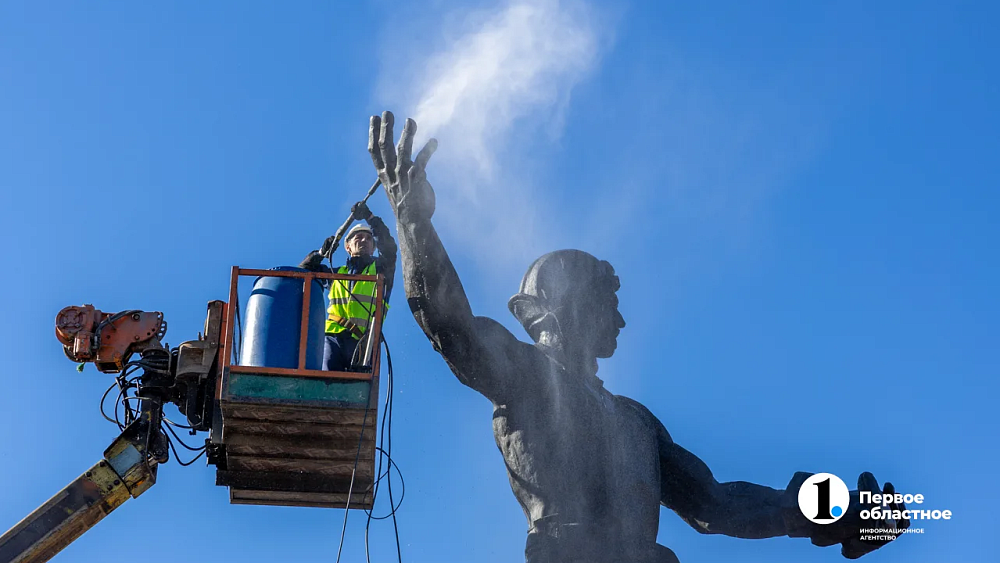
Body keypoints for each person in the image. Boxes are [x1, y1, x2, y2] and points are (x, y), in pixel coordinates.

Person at [367, 110, 908, 562]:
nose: (620, 322)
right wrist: (413, 221)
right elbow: (451, 327)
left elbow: (718, 504)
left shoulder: (636, 421)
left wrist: (833, 514)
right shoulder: (527, 376)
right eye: (608, 306)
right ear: (566, 306)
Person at [299, 201, 396, 372]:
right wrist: (321, 253)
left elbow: (389, 247)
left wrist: (370, 217)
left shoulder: (381, 270)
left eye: (368, 239)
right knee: (327, 381)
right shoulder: (335, 274)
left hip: (363, 343)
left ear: (373, 248)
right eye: (358, 238)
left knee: (356, 390)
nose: (364, 240)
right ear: (348, 247)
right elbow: (303, 271)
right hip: (333, 338)